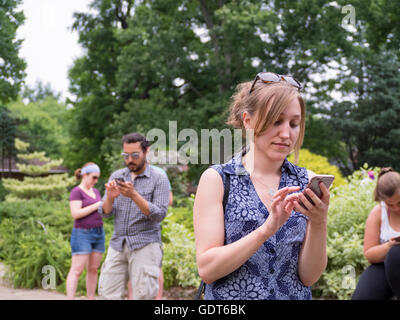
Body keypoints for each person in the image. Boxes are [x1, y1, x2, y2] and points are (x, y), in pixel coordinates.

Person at [193, 72, 331, 300]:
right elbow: (208, 270)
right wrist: (267, 229)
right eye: (276, 121)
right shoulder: (218, 179)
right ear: (248, 121)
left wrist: (319, 222)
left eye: (294, 124)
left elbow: (308, 277)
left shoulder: (307, 182)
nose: (286, 133)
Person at [98, 133, 170, 300]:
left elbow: (159, 214)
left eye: (135, 155)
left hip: (145, 243)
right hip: (118, 243)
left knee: (144, 296)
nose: (130, 159)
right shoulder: (117, 176)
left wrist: (134, 195)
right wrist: (109, 197)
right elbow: (105, 212)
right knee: (107, 294)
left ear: (146, 152)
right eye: (126, 155)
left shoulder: (159, 178)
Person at [352, 168, 400, 300]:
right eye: (390, 204)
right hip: (384, 266)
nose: (396, 208)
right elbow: (370, 254)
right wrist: (388, 246)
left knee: (396, 255)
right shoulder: (378, 212)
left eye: (399, 203)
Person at [126, 165, 173, 300]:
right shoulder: (128, 174)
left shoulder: (159, 174)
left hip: (150, 229)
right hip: (130, 229)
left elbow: (169, 200)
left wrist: (144, 200)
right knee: (133, 267)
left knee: (156, 265)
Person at [66, 162, 104, 300]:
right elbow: (75, 213)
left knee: (93, 269)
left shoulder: (96, 192)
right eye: (94, 177)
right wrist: (96, 205)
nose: (96, 181)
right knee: (77, 270)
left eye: (97, 178)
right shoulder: (76, 191)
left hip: (99, 233)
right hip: (82, 233)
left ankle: (91, 297)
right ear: (84, 175)